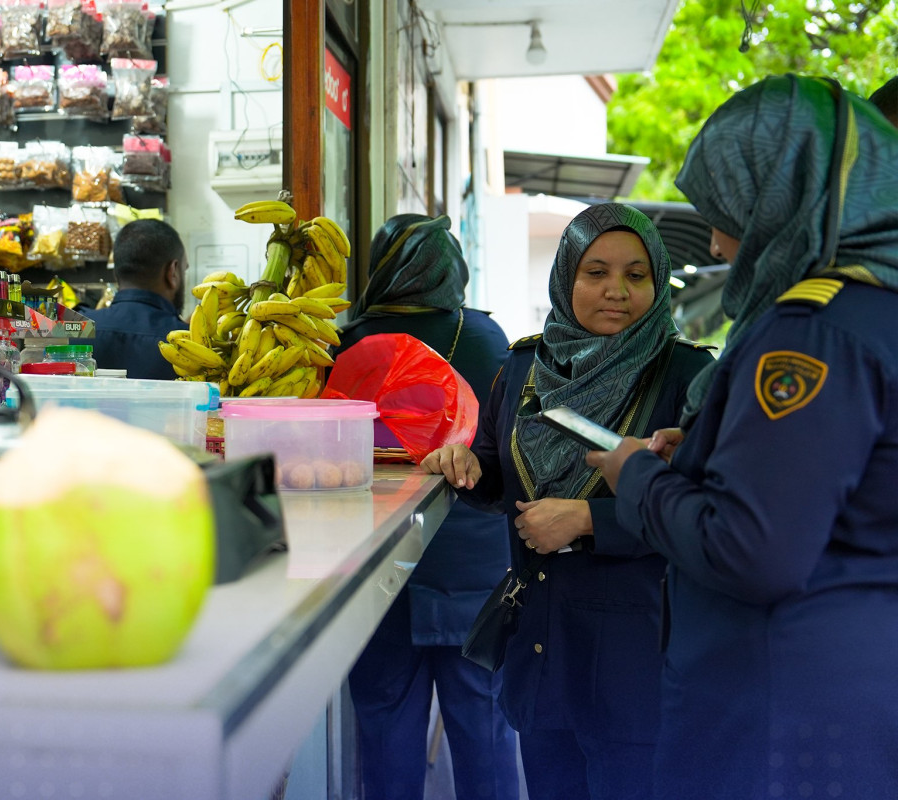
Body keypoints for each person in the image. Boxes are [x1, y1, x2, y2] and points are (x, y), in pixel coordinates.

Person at [586, 76, 898, 800]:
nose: (722, 242)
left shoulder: (814, 332)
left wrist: (637, 475)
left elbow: (752, 549)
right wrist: (701, 456)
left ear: (787, 199)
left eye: (729, 214)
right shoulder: (876, 308)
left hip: (778, 724)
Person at [421, 203, 714, 800]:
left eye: (637, 276)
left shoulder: (685, 376)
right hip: (542, 644)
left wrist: (588, 520)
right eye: (595, 272)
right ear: (565, 278)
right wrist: (466, 465)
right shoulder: (525, 366)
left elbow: (707, 513)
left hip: (638, 659)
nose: (617, 291)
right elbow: (499, 471)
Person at [339, 214, 520, 800]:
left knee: (385, 730)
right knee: (486, 733)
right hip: (471, 568)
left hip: (375, 563)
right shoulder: (486, 337)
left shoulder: (343, 339)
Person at [75, 218, 186, 380]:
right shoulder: (191, 347)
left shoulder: (73, 331)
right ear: (173, 272)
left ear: (116, 273)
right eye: (185, 270)